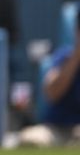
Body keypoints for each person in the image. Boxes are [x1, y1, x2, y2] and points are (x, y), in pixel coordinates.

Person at [18, 10, 80, 146]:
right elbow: (52, 93)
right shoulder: (64, 56)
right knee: (29, 139)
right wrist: (77, 56)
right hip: (56, 129)